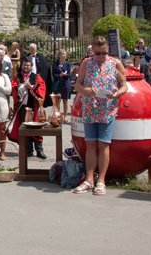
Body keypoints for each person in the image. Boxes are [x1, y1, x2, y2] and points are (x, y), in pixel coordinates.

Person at [72, 36, 128, 196]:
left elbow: (124, 85)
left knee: (103, 144)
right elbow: (77, 84)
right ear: (92, 50)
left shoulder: (115, 63)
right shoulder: (86, 63)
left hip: (107, 110)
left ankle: (101, 180)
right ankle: (89, 179)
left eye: (103, 53)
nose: (100, 57)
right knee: (90, 144)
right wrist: (85, 90)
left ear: (107, 50)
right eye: (97, 53)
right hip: (90, 108)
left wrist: (117, 93)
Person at [8, 57, 47, 159]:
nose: (26, 67)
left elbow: (42, 88)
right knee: (24, 128)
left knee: (37, 128)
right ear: (22, 66)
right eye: (24, 65)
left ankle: (39, 150)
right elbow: (13, 89)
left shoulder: (36, 77)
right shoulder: (17, 77)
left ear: (31, 66)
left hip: (34, 106)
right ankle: (28, 150)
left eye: (28, 65)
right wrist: (22, 88)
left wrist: (31, 88)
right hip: (22, 107)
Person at [52, 49, 72, 123]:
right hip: (58, 84)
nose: (64, 56)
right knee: (58, 101)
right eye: (62, 54)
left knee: (65, 101)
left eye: (65, 54)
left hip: (66, 84)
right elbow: (53, 75)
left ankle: (65, 116)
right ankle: (58, 115)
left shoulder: (67, 64)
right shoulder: (55, 64)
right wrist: (60, 75)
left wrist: (65, 75)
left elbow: (70, 75)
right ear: (59, 55)